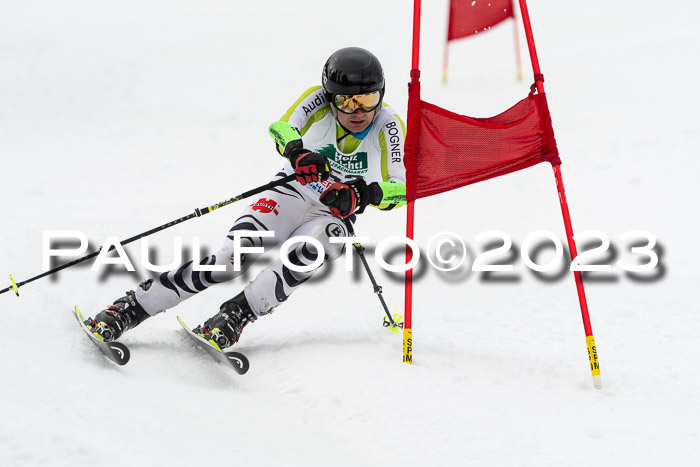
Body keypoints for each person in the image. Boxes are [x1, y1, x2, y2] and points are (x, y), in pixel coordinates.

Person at [84, 47, 407, 350]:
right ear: (329, 97)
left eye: (367, 99)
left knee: (303, 257)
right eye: (347, 102)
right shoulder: (317, 100)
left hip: (332, 215)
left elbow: (403, 189)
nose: (359, 111)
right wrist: (298, 153)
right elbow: (281, 128)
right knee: (232, 258)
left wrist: (363, 194)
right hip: (291, 191)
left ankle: (235, 315)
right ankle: (133, 306)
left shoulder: (388, 125)